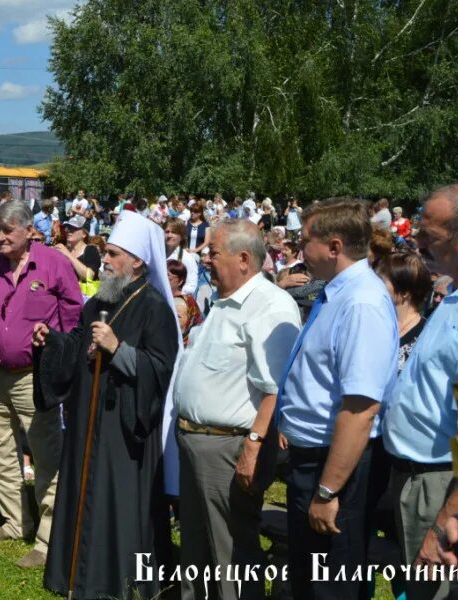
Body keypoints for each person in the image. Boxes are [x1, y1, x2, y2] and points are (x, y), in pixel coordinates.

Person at [32, 211, 178, 600]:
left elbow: (162, 370)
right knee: (82, 489)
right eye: (105, 253)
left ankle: (114, 581)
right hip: (88, 420)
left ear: (137, 261)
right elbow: (79, 343)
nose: (105, 261)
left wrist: (119, 350)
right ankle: (72, 575)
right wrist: (52, 343)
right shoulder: (99, 301)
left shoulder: (154, 308)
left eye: (112, 254)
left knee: (117, 503)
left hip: (124, 427)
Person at [277, 198, 399, 600]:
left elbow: (361, 409)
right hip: (313, 458)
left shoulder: (361, 302)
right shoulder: (339, 292)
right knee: (311, 580)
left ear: (333, 246)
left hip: (333, 465)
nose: (298, 250)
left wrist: (328, 492)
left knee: (330, 583)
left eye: (304, 241)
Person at [175, 220, 300, 600]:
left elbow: (276, 389)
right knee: (197, 548)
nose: (206, 259)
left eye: (214, 253)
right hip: (198, 441)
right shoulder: (224, 300)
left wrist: (252, 447)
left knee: (229, 550)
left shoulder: (270, 306)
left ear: (243, 259)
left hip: (228, 448)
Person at [0, 201, 82, 568]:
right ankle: (15, 521)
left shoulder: (54, 264)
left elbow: (73, 318)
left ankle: (47, 538)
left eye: (7, 231)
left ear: (29, 231)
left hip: (35, 376)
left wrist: (55, 340)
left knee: (46, 456)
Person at [382, 183, 458, 600]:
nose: (416, 242)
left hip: (440, 484)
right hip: (418, 479)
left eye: (430, 236)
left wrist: (448, 520)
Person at [54, 215, 101, 284]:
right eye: (68, 227)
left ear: (84, 234)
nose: (68, 231)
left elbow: (89, 277)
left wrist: (68, 254)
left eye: (74, 228)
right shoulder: (64, 249)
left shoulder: (91, 250)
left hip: (83, 293)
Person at [166, 260, 202, 345]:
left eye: (168, 278)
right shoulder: (161, 298)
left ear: (180, 281)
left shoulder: (183, 302)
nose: (164, 280)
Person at [165, 219, 199, 295]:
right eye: (167, 232)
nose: (169, 235)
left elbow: (192, 286)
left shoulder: (187, 258)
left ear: (181, 236)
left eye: (174, 232)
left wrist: (177, 292)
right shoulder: (159, 254)